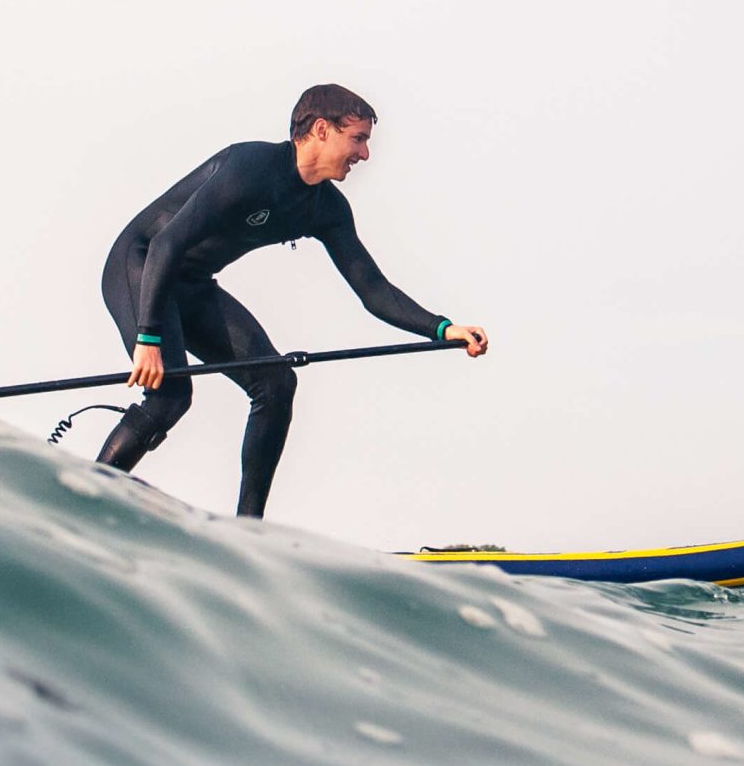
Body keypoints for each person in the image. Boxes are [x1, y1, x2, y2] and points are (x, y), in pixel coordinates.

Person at [93, 84, 488, 518]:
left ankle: (248, 531)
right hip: (141, 265)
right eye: (358, 139)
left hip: (191, 283)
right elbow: (167, 243)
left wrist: (442, 328)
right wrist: (148, 338)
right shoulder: (250, 166)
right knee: (170, 396)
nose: (365, 155)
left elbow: (373, 290)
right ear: (322, 129)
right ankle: (89, 501)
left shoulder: (326, 209)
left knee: (277, 383)